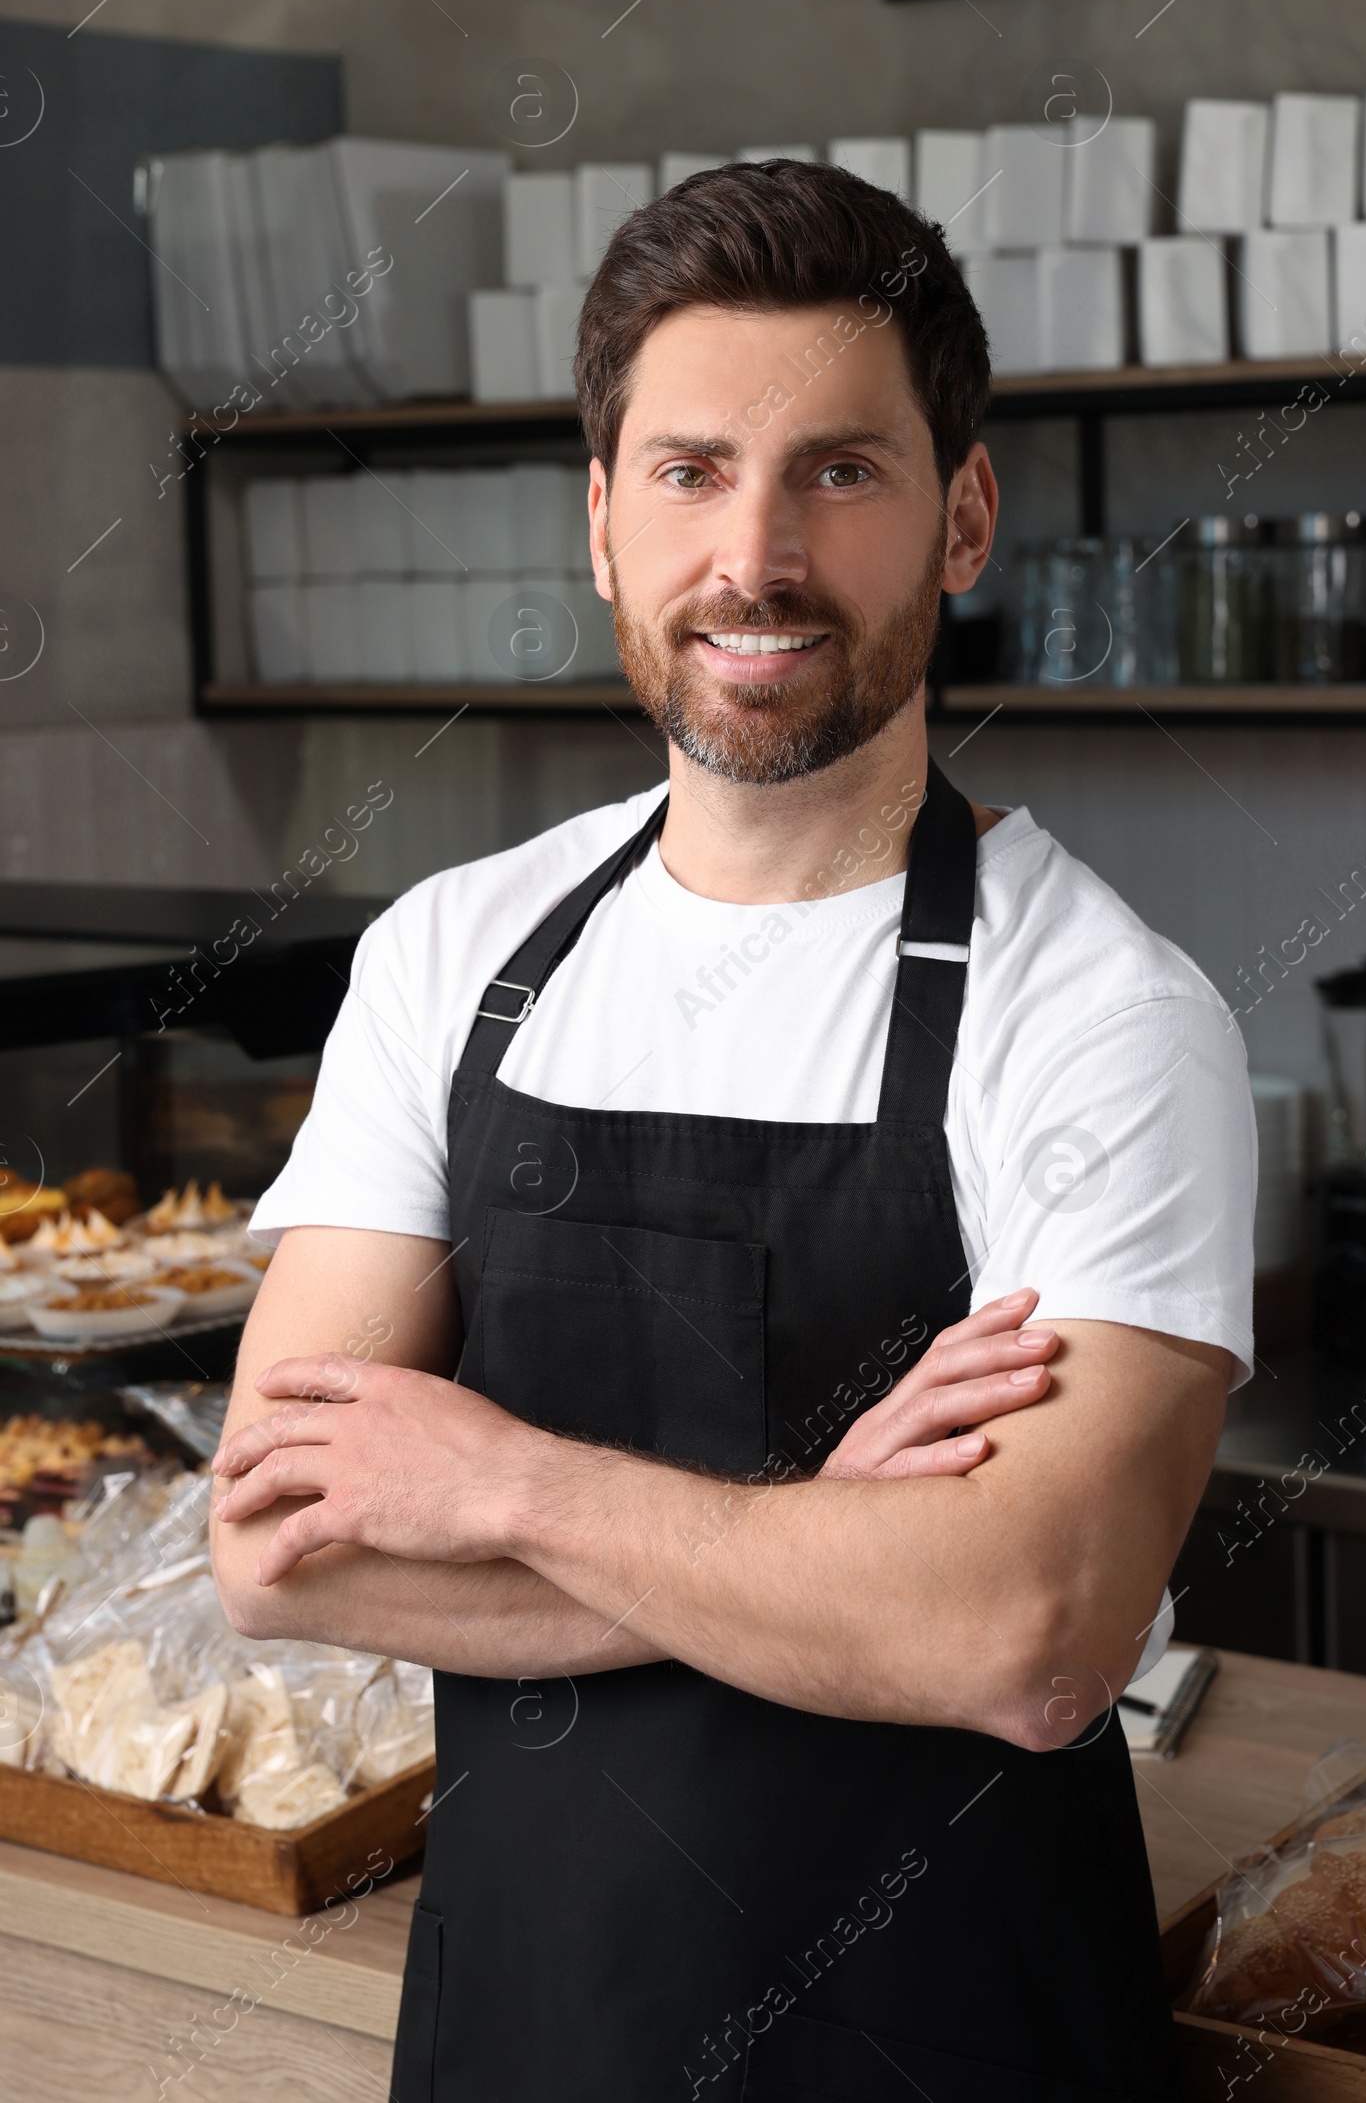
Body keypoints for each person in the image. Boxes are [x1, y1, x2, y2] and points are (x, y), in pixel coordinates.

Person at [211, 159, 1254, 2102]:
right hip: (526, 2027)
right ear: (601, 527)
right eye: (688, 473)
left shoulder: (1103, 1016)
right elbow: (279, 1550)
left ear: (959, 516)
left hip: (949, 2045)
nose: (753, 556)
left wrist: (509, 1485)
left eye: (836, 473)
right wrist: (832, 1543)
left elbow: (1026, 1634)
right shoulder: (453, 957)